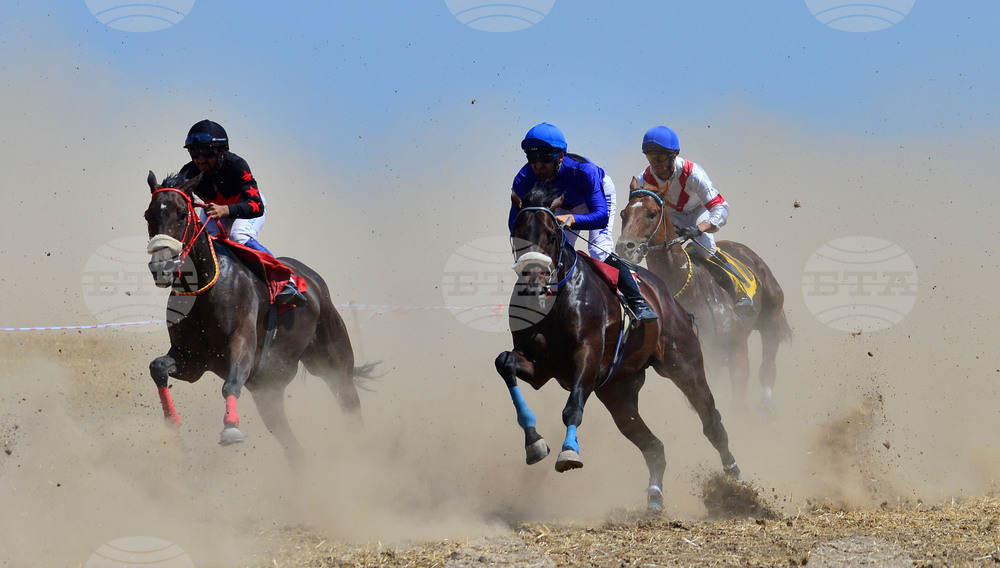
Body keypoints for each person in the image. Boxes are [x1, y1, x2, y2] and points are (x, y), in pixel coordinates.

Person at [509, 122, 657, 321]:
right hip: (563, 204)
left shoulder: (584, 171)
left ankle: (637, 302)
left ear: (560, 157)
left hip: (596, 200)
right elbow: (515, 223)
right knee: (554, 250)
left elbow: (600, 217)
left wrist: (572, 219)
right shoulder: (524, 177)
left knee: (599, 250)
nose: (537, 165)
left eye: (545, 158)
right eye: (532, 158)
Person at [179, 119, 307, 306]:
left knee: (238, 236)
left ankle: (287, 281)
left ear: (222, 151)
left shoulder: (237, 165)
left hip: (247, 207)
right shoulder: (188, 172)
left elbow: (256, 205)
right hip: (214, 210)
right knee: (208, 244)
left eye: (207, 152)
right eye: (194, 152)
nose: (200, 159)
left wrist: (225, 210)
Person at [635, 125, 754, 312]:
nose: (655, 163)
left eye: (660, 157)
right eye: (650, 157)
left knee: (705, 249)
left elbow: (721, 207)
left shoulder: (693, 173)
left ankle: (740, 290)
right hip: (672, 216)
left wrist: (700, 228)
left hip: (698, 212)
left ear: (673, 156)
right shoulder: (644, 178)